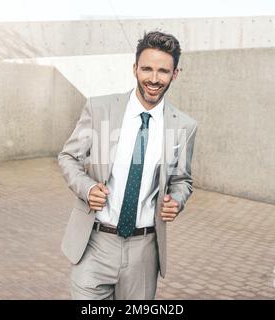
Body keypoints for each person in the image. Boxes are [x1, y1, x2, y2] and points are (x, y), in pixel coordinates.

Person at [58, 31, 197, 300]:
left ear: (175, 74)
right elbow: (69, 157)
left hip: (144, 250)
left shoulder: (184, 126)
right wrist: (86, 188)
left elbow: (183, 180)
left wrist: (177, 200)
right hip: (94, 244)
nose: (154, 79)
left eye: (163, 71)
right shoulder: (99, 109)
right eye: (146, 69)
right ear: (134, 68)